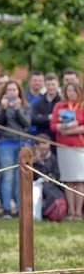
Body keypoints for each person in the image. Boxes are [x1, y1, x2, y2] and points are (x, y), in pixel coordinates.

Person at [0, 81, 31, 219]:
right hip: (5, 144)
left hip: (22, 143)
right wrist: (3, 109)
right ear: (4, 92)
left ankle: (21, 208)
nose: (11, 92)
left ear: (19, 92)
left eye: (14, 90)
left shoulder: (25, 106)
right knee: (7, 176)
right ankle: (7, 209)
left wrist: (18, 109)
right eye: (9, 90)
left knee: (20, 177)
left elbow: (26, 124)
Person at [50, 82, 84, 221]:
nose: (71, 93)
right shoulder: (59, 106)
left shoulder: (82, 106)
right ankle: (71, 211)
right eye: (69, 90)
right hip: (63, 147)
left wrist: (71, 129)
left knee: (80, 180)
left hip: (80, 146)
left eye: (73, 91)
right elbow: (53, 125)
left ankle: (78, 211)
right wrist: (61, 127)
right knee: (69, 180)